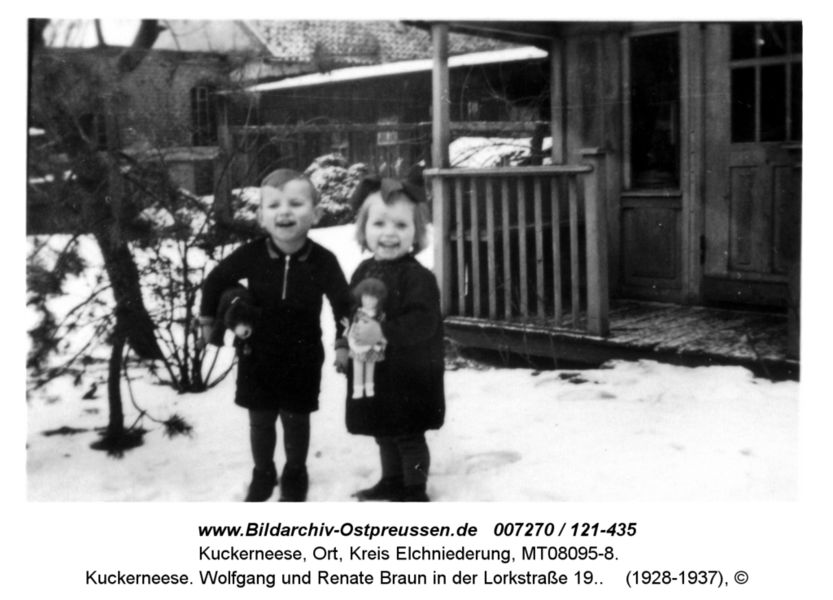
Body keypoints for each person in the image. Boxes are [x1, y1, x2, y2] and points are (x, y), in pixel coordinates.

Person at [199, 169, 351, 502]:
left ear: (316, 214)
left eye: (296, 203)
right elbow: (216, 279)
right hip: (257, 353)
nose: (284, 212)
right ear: (261, 217)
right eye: (274, 205)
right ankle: (263, 472)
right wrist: (208, 320)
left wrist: (343, 343)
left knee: (296, 419)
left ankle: (295, 472)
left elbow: (343, 304)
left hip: (303, 355)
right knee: (260, 419)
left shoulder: (323, 261)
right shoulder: (252, 254)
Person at [344, 176, 445, 502]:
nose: (389, 233)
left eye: (401, 225)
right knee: (383, 429)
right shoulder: (362, 271)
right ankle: (391, 480)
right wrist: (344, 344)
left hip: (409, 372)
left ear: (416, 233)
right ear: (364, 229)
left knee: (408, 433)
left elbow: (424, 322)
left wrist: (383, 332)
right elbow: (349, 312)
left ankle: (414, 489)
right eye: (379, 223)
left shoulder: (418, 276)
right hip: (376, 369)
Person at [345, 277, 388, 399]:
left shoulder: (380, 316)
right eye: (365, 297)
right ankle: (358, 389)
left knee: (370, 366)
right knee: (357, 365)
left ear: (379, 300)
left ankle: (369, 388)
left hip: (373, 344)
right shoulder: (358, 313)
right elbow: (354, 326)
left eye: (373, 298)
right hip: (358, 343)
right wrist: (349, 331)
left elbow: (383, 331)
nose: (368, 301)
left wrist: (380, 343)